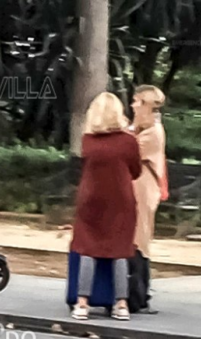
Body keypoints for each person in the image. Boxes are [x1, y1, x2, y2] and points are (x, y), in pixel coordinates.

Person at [70, 93, 142, 321]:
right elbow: (136, 171)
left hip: (90, 199)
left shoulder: (88, 140)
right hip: (120, 200)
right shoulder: (128, 141)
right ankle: (121, 305)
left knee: (87, 248)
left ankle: (82, 303)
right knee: (120, 249)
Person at [130, 85, 168, 309]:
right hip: (138, 187)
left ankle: (138, 292)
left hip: (143, 190)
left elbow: (130, 150)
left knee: (139, 238)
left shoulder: (152, 132)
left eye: (137, 101)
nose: (133, 105)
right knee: (136, 236)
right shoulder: (142, 128)